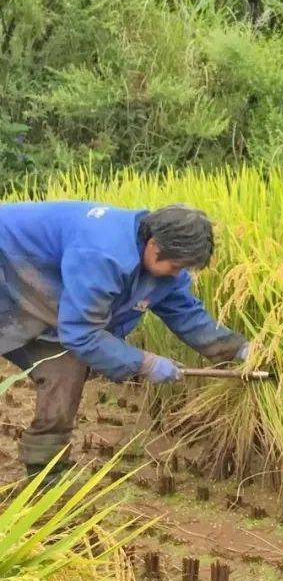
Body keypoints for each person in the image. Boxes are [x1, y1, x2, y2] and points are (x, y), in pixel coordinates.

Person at [0, 201, 249, 480]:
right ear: (154, 245)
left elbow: (186, 314)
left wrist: (239, 348)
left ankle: (45, 473)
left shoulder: (164, 267)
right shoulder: (103, 253)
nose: (177, 273)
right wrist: (143, 362)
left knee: (66, 369)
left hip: (36, 294)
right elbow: (81, 332)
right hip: (8, 268)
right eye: (176, 265)